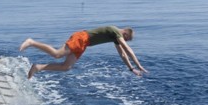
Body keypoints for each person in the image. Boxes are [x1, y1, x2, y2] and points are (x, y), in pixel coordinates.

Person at [19, 26, 148, 79]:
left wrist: (131, 69)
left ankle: (38, 67)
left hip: (84, 44)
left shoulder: (115, 38)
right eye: (126, 39)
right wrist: (139, 65)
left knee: (66, 67)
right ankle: (31, 42)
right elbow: (127, 49)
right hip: (81, 38)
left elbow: (123, 54)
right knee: (57, 54)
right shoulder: (115, 31)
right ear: (124, 33)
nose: (124, 41)